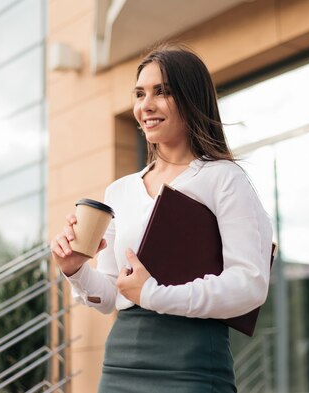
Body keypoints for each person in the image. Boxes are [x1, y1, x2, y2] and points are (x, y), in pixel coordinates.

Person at [50, 43, 273, 393]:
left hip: (193, 365)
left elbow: (249, 285)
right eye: (140, 94)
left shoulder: (223, 178)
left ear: (190, 98)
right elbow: (112, 294)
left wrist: (153, 294)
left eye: (162, 92)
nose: (146, 106)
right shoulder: (119, 191)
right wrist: (75, 269)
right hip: (121, 362)